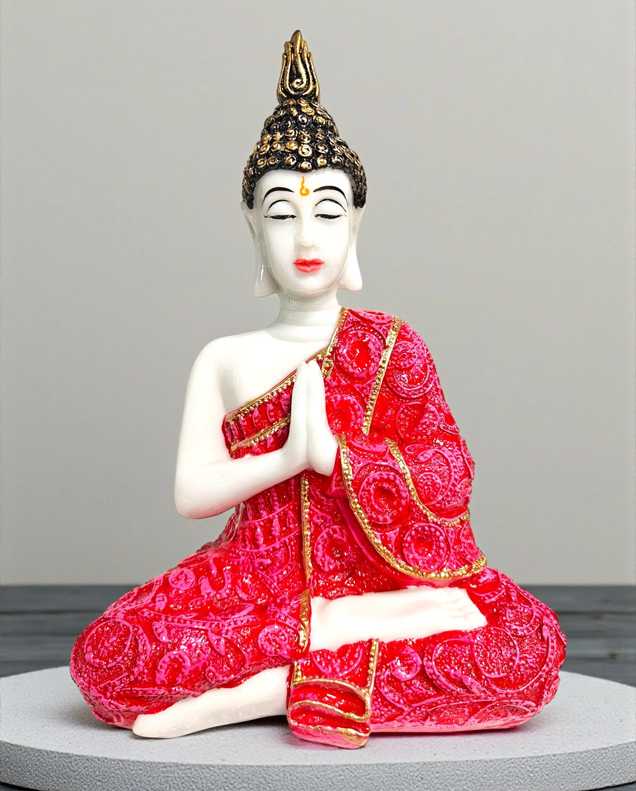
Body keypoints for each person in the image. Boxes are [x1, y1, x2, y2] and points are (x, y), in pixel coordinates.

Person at [70, 31, 566, 749]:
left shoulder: (391, 347)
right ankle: (327, 635)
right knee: (108, 657)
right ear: (252, 227)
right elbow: (192, 493)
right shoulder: (224, 359)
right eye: (281, 213)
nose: (306, 236)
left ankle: (256, 692)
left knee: (522, 653)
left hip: (380, 580)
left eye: (328, 212)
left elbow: (446, 473)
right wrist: (287, 458)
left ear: (356, 224)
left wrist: (335, 456)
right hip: (252, 585)